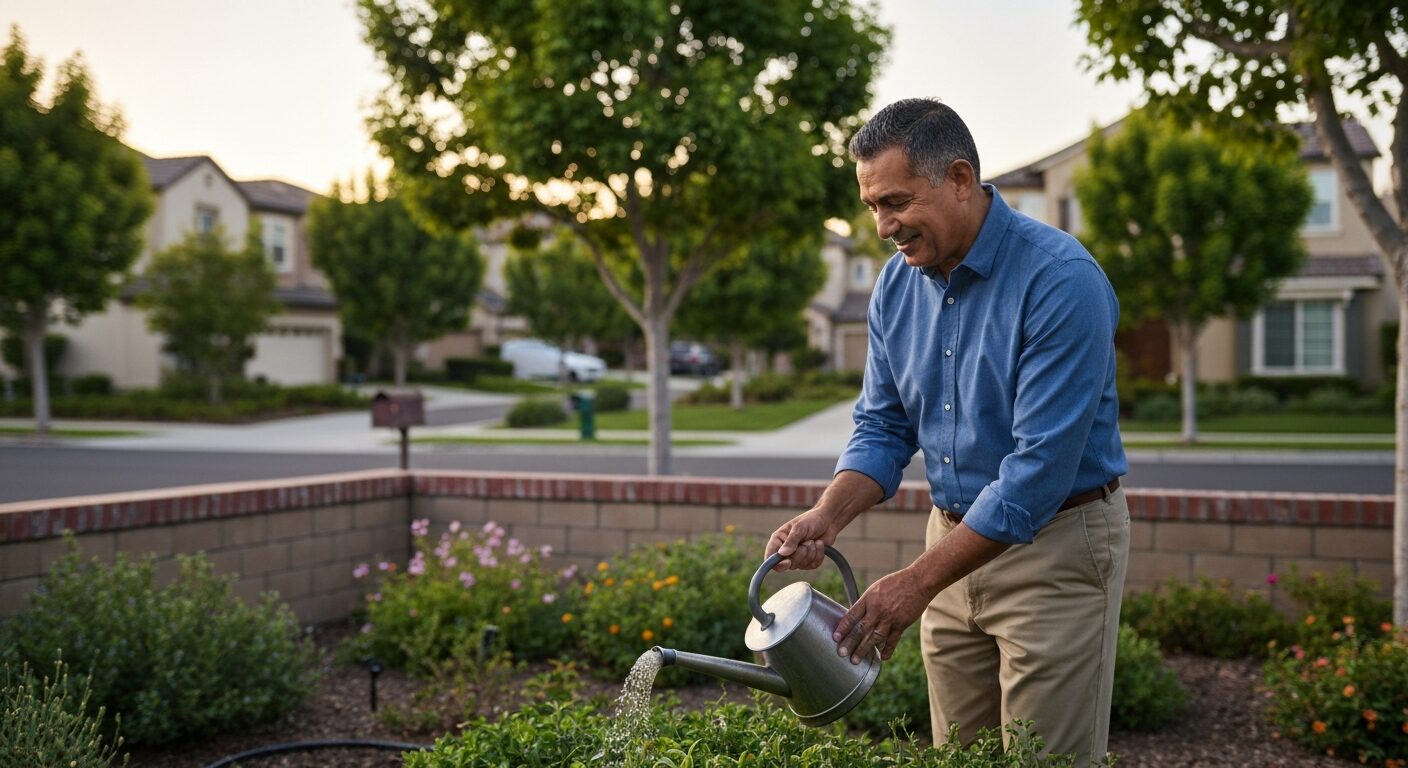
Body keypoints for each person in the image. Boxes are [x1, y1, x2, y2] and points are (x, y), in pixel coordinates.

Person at [765, 98, 1129, 765]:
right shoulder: (895, 287)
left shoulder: (1061, 281)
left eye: (896, 201)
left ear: (960, 179)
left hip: (1056, 548)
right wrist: (827, 515)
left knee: (1040, 759)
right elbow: (882, 426)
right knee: (959, 756)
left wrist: (916, 582)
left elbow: (1037, 472)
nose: (883, 226)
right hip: (950, 543)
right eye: (873, 206)